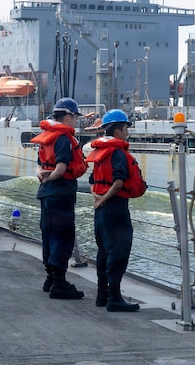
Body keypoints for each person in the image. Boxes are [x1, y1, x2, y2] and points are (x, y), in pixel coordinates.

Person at [86, 109, 147, 313]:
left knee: (103, 252)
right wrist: (105, 198)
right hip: (116, 208)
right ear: (118, 130)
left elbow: (93, 181)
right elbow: (119, 182)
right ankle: (115, 298)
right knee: (118, 253)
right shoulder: (119, 153)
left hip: (101, 210)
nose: (127, 132)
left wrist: (98, 198)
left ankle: (102, 295)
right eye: (126, 128)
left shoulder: (99, 152)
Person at [31, 97, 88, 300]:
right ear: (69, 116)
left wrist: (43, 176)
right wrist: (51, 177)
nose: (76, 121)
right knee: (63, 237)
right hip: (61, 193)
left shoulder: (47, 136)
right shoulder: (64, 138)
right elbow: (61, 169)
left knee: (49, 235)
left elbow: (39, 165)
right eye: (75, 117)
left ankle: (50, 279)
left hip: (46, 195)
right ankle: (60, 283)